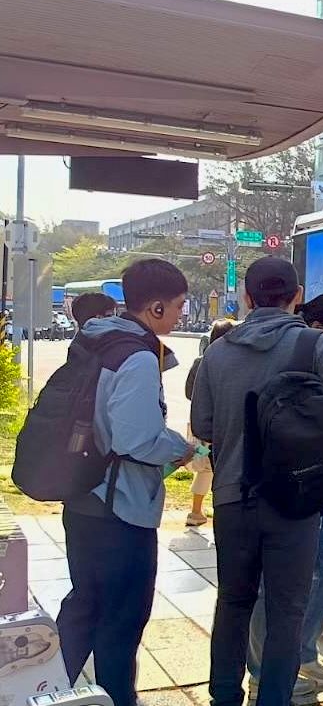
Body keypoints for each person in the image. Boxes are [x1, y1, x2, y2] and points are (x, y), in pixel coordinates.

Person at [190, 257, 323, 706]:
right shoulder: (316, 347)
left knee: (233, 603)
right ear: (297, 296)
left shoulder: (218, 352)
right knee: (287, 610)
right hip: (296, 501)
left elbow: (202, 424)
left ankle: (224, 697)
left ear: (247, 297)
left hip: (232, 496)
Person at [58, 259, 196, 706]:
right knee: (121, 620)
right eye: (178, 305)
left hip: (83, 497)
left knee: (84, 607)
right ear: (155, 306)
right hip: (120, 509)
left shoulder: (97, 340)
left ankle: (42, 690)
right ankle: (118, 699)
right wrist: (179, 447)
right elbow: (136, 439)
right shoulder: (137, 356)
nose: (181, 314)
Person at [245, 294, 323, 699]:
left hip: (317, 478)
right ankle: (264, 668)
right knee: (271, 583)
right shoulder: (311, 347)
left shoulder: (315, 349)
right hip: (279, 478)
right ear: (318, 325)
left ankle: (299, 651)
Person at [183, 318, 237, 527]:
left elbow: (188, 392)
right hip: (223, 428)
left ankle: (196, 511)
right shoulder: (233, 362)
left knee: (204, 467)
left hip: (201, 426)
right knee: (221, 469)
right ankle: (216, 512)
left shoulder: (201, 361)